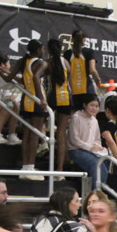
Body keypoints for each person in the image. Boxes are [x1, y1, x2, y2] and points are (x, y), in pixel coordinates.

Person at [0, 40, 46, 179]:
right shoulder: (41, 63)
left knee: (27, 135)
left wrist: (1, 72)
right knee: (34, 135)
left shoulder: (23, 61)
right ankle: (31, 167)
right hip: (36, 100)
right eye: (42, 49)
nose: (44, 51)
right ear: (38, 50)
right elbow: (35, 78)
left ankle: (25, 167)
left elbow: (10, 79)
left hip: (25, 100)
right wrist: (42, 99)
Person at [44, 38, 73, 176]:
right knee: (61, 133)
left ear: (48, 49)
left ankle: (43, 144)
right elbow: (70, 80)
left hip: (51, 97)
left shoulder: (47, 63)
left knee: (41, 123)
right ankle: (60, 169)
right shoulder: (66, 62)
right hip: (66, 98)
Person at [66, 93, 107, 190]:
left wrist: (98, 147)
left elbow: (97, 139)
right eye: (92, 105)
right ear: (84, 105)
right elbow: (74, 140)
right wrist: (90, 147)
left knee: (105, 163)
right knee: (95, 164)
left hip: (92, 151)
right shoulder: (76, 117)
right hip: (76, 150)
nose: (94, 108)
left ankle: (100, 190)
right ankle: (96, 191)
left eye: (96, 106)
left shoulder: (94, 120)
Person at [64, 29, 103, 109]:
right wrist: (97, 80)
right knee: (91, 111)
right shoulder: (89, 52)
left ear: (72, 39)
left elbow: (66, 72)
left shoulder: (67, 54)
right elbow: (92, 70)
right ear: (84, 40)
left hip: (73, 89)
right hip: (87, 88)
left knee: (76, 112)